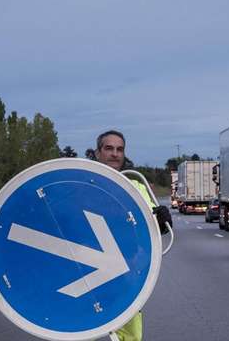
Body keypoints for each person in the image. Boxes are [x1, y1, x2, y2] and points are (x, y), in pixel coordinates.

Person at [94, 130, 172, 341]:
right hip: (83, 268)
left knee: (130, 335)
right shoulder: (80, 184)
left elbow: (153, 225)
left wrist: (162, 221)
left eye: (119, 149)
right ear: (97, 152)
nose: (115, 154)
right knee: (82, 328)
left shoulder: (135, 185)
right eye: (109, 148)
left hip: (125, 271)